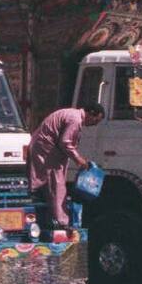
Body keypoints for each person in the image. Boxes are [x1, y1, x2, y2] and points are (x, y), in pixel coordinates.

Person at [25, 103, 103, 240]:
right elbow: (65, 142)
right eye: (96, 120)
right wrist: (79, 160)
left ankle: (51, 218)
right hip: (47, 150)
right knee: (57, 185)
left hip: (45, 148)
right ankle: (63, 222)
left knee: (51, 183)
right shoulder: (76, 119)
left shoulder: (72, 115)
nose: (95, 124)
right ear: (91, 113)